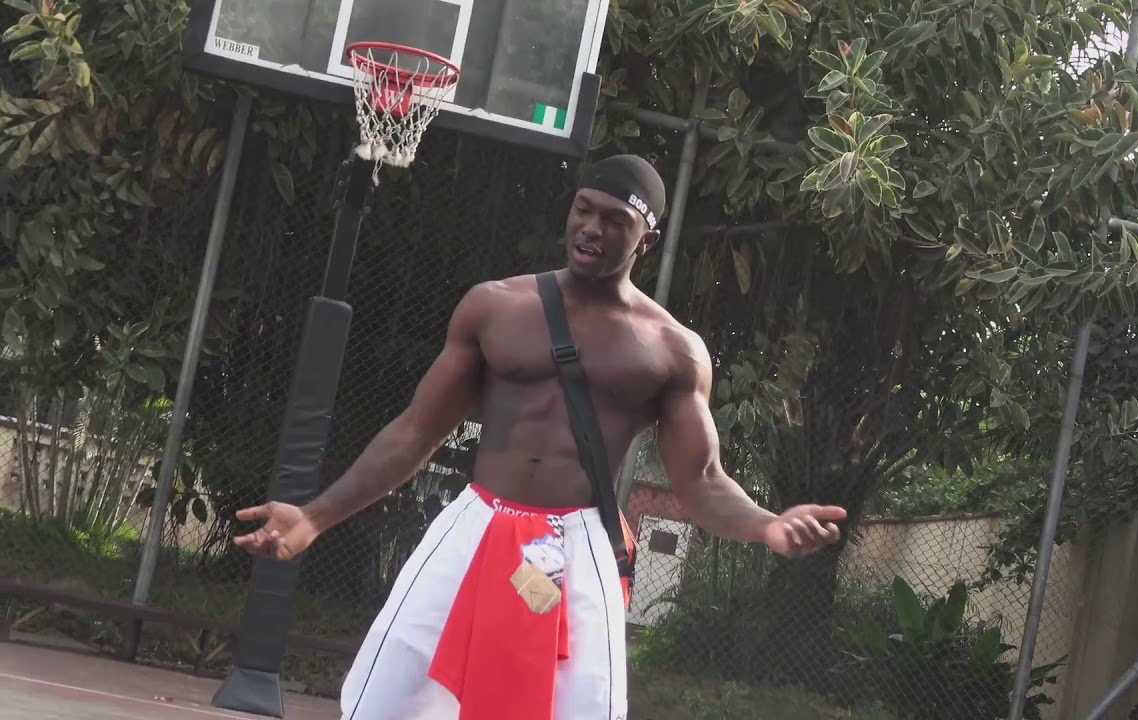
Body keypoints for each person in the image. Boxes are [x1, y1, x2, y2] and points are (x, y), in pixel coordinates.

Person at [232, 154, 848, 720]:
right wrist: (314, 517)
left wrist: (768, 525)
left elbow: (702, 480)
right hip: (474, 526)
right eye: (584, 210)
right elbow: (415, 433)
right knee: (384, 702)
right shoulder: (495, 307)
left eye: (615, 221)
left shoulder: (671, 350)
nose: (592, 229)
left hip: (577, 545)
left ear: (648, 240)